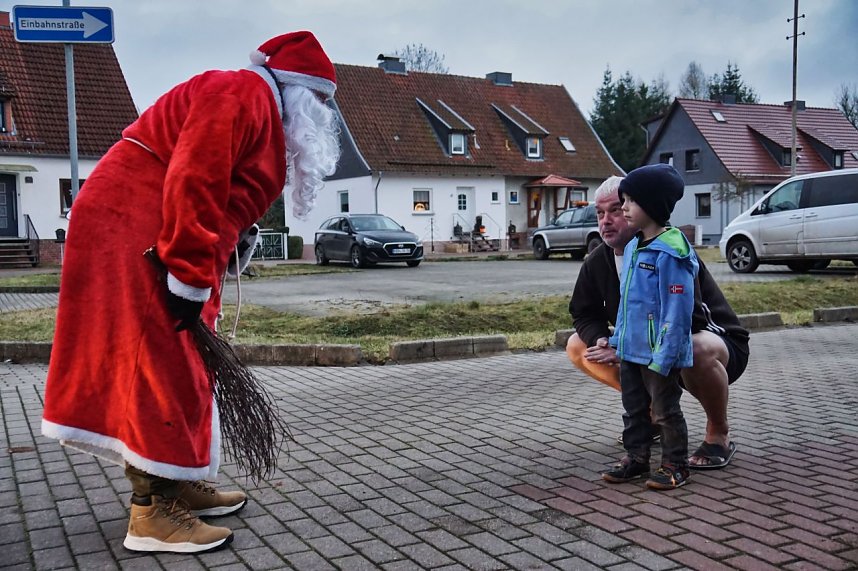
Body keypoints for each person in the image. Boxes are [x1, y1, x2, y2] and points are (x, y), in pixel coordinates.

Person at [41, 31, 341, 553]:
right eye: (319, 102)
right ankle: (152, 514)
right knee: (158, 359)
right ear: (297, 91)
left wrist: (219, 256)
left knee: (179, 360)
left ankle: (175, 480)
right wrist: (186, 273)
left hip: (148, 226)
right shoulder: (241, 94)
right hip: (134, 226)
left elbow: (224, 194)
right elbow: (195, 179)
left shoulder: (258, 110)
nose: (320, 116)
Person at [567, 175, 749, 470]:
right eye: (600, 214)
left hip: (711, 342)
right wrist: (601, 338)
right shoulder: (597, 260)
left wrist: (625, 346)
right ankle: (649, 415)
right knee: (578, 344)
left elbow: (689, 319)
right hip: (649, 343)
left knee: (698, 346)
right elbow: (583, 312)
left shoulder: (670, 251)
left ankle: (718, 434)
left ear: (642, 209)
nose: (607, 221)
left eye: (616, 209)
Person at [600, 164, 698, 490]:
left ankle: (675, 464)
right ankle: (637, 457)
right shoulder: (632, 247)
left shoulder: (671, 251)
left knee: (665, 410)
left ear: (653, 205)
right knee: (634, 409)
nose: (624, 207)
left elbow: (677, 310)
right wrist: (618, 341)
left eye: (630, 201)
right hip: (631, 348)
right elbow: (629, 304)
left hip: (659, 352)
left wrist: (666, 354)